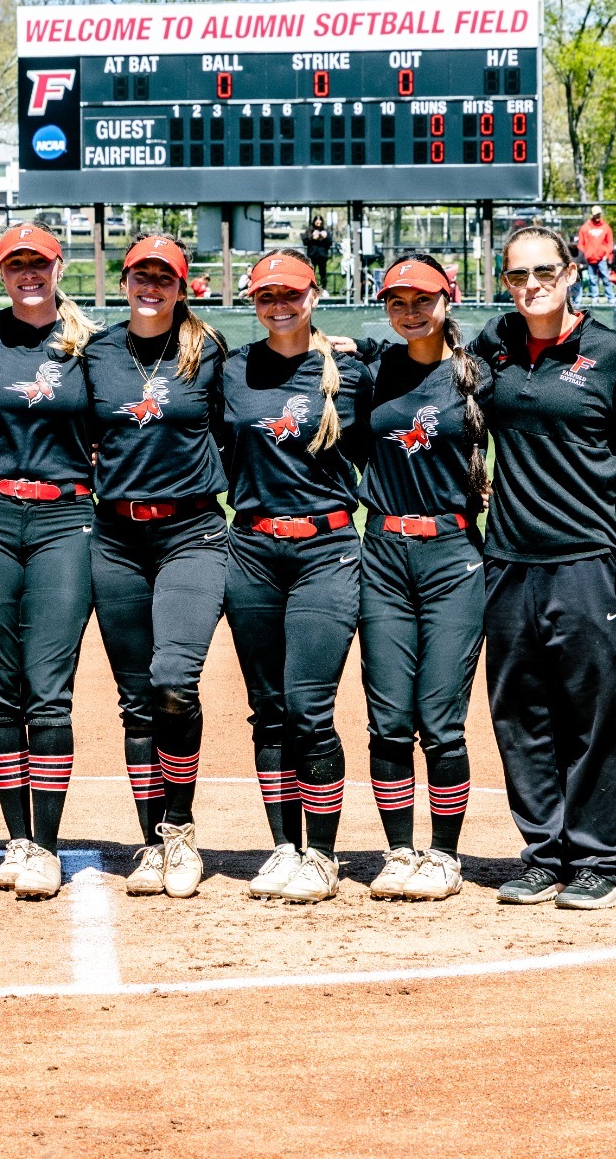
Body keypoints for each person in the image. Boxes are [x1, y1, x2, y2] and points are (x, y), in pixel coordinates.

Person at [470, 226, 616, 909]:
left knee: (595, 713)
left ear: (572, 271)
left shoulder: (612, 354)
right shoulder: (493, 345)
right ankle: (544, 850)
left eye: (545, 269)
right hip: (507, 559)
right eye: (517, 275)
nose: (532, 283)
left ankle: (600, 857)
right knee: (519, 711)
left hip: (587, 560)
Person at [218, 250, 368, 904]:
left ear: (315, 293)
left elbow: (439, 346)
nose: (278, 305)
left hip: (325, 549)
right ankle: (283, 846)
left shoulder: (352, 369)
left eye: (291, 293)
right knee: (269, 711)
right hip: (251, 550)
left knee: (309, 707)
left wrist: (362, 339)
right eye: (265, 295)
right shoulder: (231, 371)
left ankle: (324, 854)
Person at [0, 223, 102, 900]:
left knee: (48, 684)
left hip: (63, 517)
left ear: (57, 265)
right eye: (15, 264)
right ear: (1, 270)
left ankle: (46, 844)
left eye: (37, 263)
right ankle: (18, 836)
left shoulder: (87, 343)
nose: (27, 274)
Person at [83, 235, 229, 900]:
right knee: (136, 700)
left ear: (182, 285)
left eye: (163, 278)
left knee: (174, 678)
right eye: (141, 275)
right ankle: (152, 844)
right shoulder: (99, 353)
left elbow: (234, 427)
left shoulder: (208, 351)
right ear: (125, 280)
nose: (151, 287)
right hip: (115, 537)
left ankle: (180, 827)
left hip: (191, 532)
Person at [355, 255, 492, 902]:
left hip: (452, 556)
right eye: (397, 300)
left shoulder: (475, 374)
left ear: (448, 298)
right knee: (387, 719)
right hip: (382, 552)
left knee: (439, 719)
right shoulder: (372, 369)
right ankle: (400, 850)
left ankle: (444, 853)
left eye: (423, 298)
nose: (410, 310)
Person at [576, 207, 615, 305]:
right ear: (592, 215)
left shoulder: (606, 227)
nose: (597, 216)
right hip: (589, 260)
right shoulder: (585, 228)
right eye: (595, 214)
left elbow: (609, 242)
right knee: (592, 280)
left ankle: (611, 299)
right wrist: (584, 256)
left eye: (599, 214)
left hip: (602, 259)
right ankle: (595, 299)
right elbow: (581, 244)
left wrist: (607, 254)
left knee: (606, 279)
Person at [301, 216, 332, 290]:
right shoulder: (310, 230)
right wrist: (312, 237)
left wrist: (325, 237)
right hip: (312, 255)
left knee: (323, 273)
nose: (319, 224)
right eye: (317, 222)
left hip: (322, 255)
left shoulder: (325, 230)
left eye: (320, 222)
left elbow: (330, 242)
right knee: (311, 273)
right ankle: (311, 288)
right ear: (314, 222)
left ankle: (323, 289)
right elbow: (305, 241)